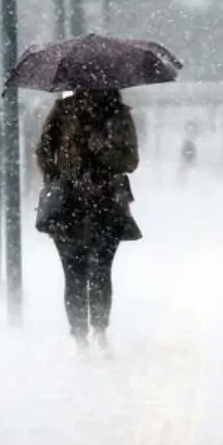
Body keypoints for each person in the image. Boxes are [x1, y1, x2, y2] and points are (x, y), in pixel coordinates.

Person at [35, 88, 141, 354]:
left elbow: (130, 161)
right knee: (74, 273)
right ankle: (80, 335)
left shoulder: (119, 115)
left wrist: (103, 150)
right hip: (68, 205)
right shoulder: (63, 112)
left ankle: (99, 330)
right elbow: (44, 151)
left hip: (106, 203)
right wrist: (58, 178)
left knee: (101, 271)